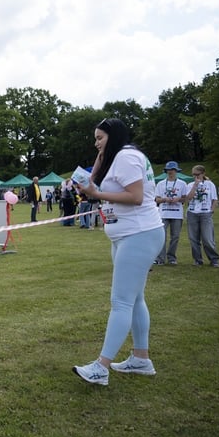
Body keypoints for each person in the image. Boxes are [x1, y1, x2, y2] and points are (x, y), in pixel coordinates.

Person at [73, 118, 164, 386]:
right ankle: (141, 359)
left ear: (113, 137)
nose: (96, 143)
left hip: (138, 233)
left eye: (100, 138)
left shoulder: (126, 157)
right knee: (135, 299)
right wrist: (100, 159)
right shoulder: (117, 157)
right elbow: (93, 183)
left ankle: (101, 367)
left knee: (122, 301)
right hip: (128, 235)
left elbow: (136, 197)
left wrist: (98, 195)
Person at [184, 165, 219, 267]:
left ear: (203, 174)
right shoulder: (190, 185)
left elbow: (214, 199)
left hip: (205, 213)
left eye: (197, 174)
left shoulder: (210, 184)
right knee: (193, 239)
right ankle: (197, 260)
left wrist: (211, 211)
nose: (195, 177)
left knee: (207, 238)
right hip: (192, 213)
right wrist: (195, 185)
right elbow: (188, 198)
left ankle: (214, 259)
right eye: (193, 175)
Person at [153, 161, 188, 265]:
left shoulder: (182, 184)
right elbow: (157, 199)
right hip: (163, 213)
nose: (170, 172)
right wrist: (165, 199)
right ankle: (160, 258)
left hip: (177, 214)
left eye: (172, 170)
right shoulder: (160, 184)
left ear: (176, 171)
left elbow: (185, 199)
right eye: (168, 170)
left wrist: (178, 199)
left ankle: (172, 258)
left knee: (175, 237)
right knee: (161, 237)